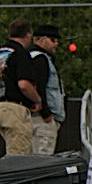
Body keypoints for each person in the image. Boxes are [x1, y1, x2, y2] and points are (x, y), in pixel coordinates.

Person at [0, 18, 42, 155]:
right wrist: (37, 99)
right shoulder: (21, 53)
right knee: (19, 155)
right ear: (28, 34)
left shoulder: (2, 52)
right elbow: (24, 85)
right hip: (14, 108)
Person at [30, 24, 66, 155]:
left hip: (33, 117)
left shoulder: (29, 57)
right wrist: (46, 113)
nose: (56, 44)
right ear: (41, 39)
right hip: (42, 119)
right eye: (53, 40)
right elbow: (39, 86)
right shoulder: (40, 59)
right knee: (43, 156)